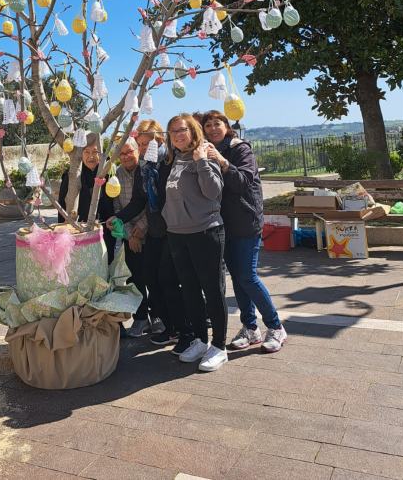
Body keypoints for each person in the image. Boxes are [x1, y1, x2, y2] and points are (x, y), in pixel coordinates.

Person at [201, 110, 287, 353]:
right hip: (223, 223)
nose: (213, 128)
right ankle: (250, 327)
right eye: (208, 125)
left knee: (248, 276)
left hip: (246, 221)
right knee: (237, 277)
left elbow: (242, 182)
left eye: (217, 123)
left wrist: (220, 160)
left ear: (226, 126)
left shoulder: (240, 149)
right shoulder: (206, 152)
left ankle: (276, 326)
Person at [107, 120, 193, 356]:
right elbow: (139, 202)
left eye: (148, 143)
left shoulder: (169, 162)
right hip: (157, 232)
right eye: (141, 143)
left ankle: (187, 330)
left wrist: (139, 229)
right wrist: (120, 220)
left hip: (174, 230)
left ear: (160, 139)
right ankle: (172, 326)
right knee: (153, 280)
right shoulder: (146, 168)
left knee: (168, 280)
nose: (144, 148)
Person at [162, 114, 228, 372]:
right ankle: (200, 340)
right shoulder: (175, 158)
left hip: (205, 232)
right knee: (189, 290)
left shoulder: (203, 156)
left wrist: (201, 162)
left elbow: (214, 192)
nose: (177, 135)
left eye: (182, 130)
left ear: (192, 131)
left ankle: (219, 346)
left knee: (212, 290)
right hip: (178, 234)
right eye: (172, 132)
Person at [112, 138, 150, 337]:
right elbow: (117, 208)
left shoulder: (147, 170)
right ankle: (141, 318)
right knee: (135, 279)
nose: (126, 156)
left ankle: (159, 317)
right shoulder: (116, 175)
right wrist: (130, 235)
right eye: (122, 153)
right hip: (130, 236)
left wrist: (141, 229)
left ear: (138, 151)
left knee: (153, 277)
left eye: (130, 152)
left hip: (149, 232)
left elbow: (151, 204)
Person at [58, 137, 115, 261]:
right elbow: (62, 202)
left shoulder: (108, 173)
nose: (91, 156)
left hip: (104, 231)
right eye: (86, 152)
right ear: (81, 154)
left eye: (95, 152)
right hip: (78, 231)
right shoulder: (72, 175)